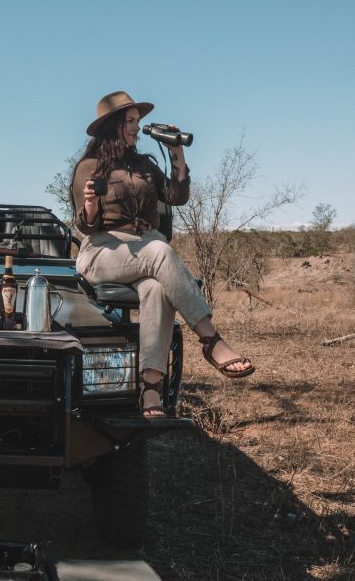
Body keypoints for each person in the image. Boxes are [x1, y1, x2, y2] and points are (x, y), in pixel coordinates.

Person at [71, 91, 254, 418]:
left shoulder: (144, 165)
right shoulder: (89, 167)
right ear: (112, 126)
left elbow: (176, 196)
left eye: (138, 122)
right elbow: (86, 226)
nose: (136, 129)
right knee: (159, 251)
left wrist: (176, 154)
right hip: (103, 250)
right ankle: (211, 341)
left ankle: (150, 389)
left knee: (156, 289)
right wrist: (90, 204)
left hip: (145, 247)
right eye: (129, 122)